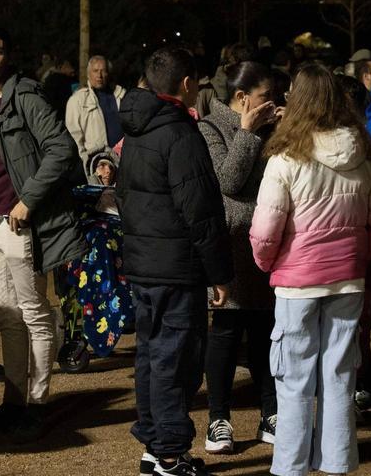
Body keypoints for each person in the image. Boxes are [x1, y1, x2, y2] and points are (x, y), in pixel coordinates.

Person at [250, 64, 371, 476]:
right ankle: (337, 463)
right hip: (347, 281)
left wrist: (269, 263)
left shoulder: (284, 158)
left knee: (294, 379)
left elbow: (265, 232)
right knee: (339, 377)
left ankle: (291, 467)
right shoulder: (364, 155)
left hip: (296, 284)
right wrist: (355, 253)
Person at [0, 27, 85, 441]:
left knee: (35, 314)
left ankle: (38, 404)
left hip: (21, 222)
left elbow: (61, 149)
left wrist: (28, 199)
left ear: (7, 56)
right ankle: (13, 405)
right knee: (8, 317)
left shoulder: (26, 95)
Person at [118, 47, 232, 476]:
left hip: (145, 262)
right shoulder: (180, 133)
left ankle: (156, 447)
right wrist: (220, 273)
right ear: (187, 83)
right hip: (175, 266)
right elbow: (201, 211)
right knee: (175, 361)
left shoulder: (137, 128)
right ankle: (168, 454)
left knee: (152, 356)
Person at [198, 61, 279, 454]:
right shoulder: (210, 128)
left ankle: (271, 414)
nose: (272, 103)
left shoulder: (273, 127)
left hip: (268, 243)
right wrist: (246, 133)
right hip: (231, 245)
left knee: (266, 330)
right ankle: (218, 419)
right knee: (226, 333)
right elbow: (227, 181)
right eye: (266, 96)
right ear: (243, 97)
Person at [65, 54, 127, 169]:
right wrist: (86, 163)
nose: (99, 75)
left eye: (103, 71)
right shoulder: (78, 100)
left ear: (108, 73)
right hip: (96, 165)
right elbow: (74, 137)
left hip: (123, 161)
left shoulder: (121, 95)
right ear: (88, 74)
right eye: (95, 71)